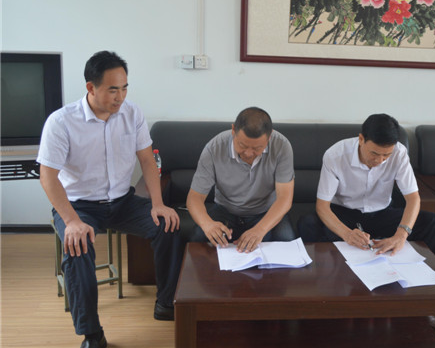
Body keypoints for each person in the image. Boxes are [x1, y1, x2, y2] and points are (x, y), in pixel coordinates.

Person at [38, 51, 183, 348]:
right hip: (79, 207)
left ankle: (165, 303)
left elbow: (147, 160)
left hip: (122, 202)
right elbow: (48, 177)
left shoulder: (132, 113)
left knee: (169, 226)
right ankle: (92, 334)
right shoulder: (61, 122)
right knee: (77, 247)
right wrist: (71, 221)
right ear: (91, 87)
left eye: (125, 88)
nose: (121, 97)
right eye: (113, 90)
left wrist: (158, 204)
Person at [298, 113, 435, 335]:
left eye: (386, 155)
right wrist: (347, 233)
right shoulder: (336, 155)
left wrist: (401, 235)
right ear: (361, 139)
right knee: (308, 223)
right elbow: (322, 206)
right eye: (374, 153)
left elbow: (413, 198)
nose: (380, 161)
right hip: (344, 214)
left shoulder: (399, 153)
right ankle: (321, 303)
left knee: (433, 222)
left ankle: (430, 304)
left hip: (381, 214)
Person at [187, 107, 295, 252]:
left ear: (269, 138)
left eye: (257, 148)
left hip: (266, 210)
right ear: (233, 130)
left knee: (287, 240)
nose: (249, 153)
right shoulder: (214, 148)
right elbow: (195, 197)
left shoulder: (282, 146)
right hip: (226, 210)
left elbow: (284, 198)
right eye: (242, 145)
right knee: (198, 236)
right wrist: (208, 224)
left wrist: (260, 230)